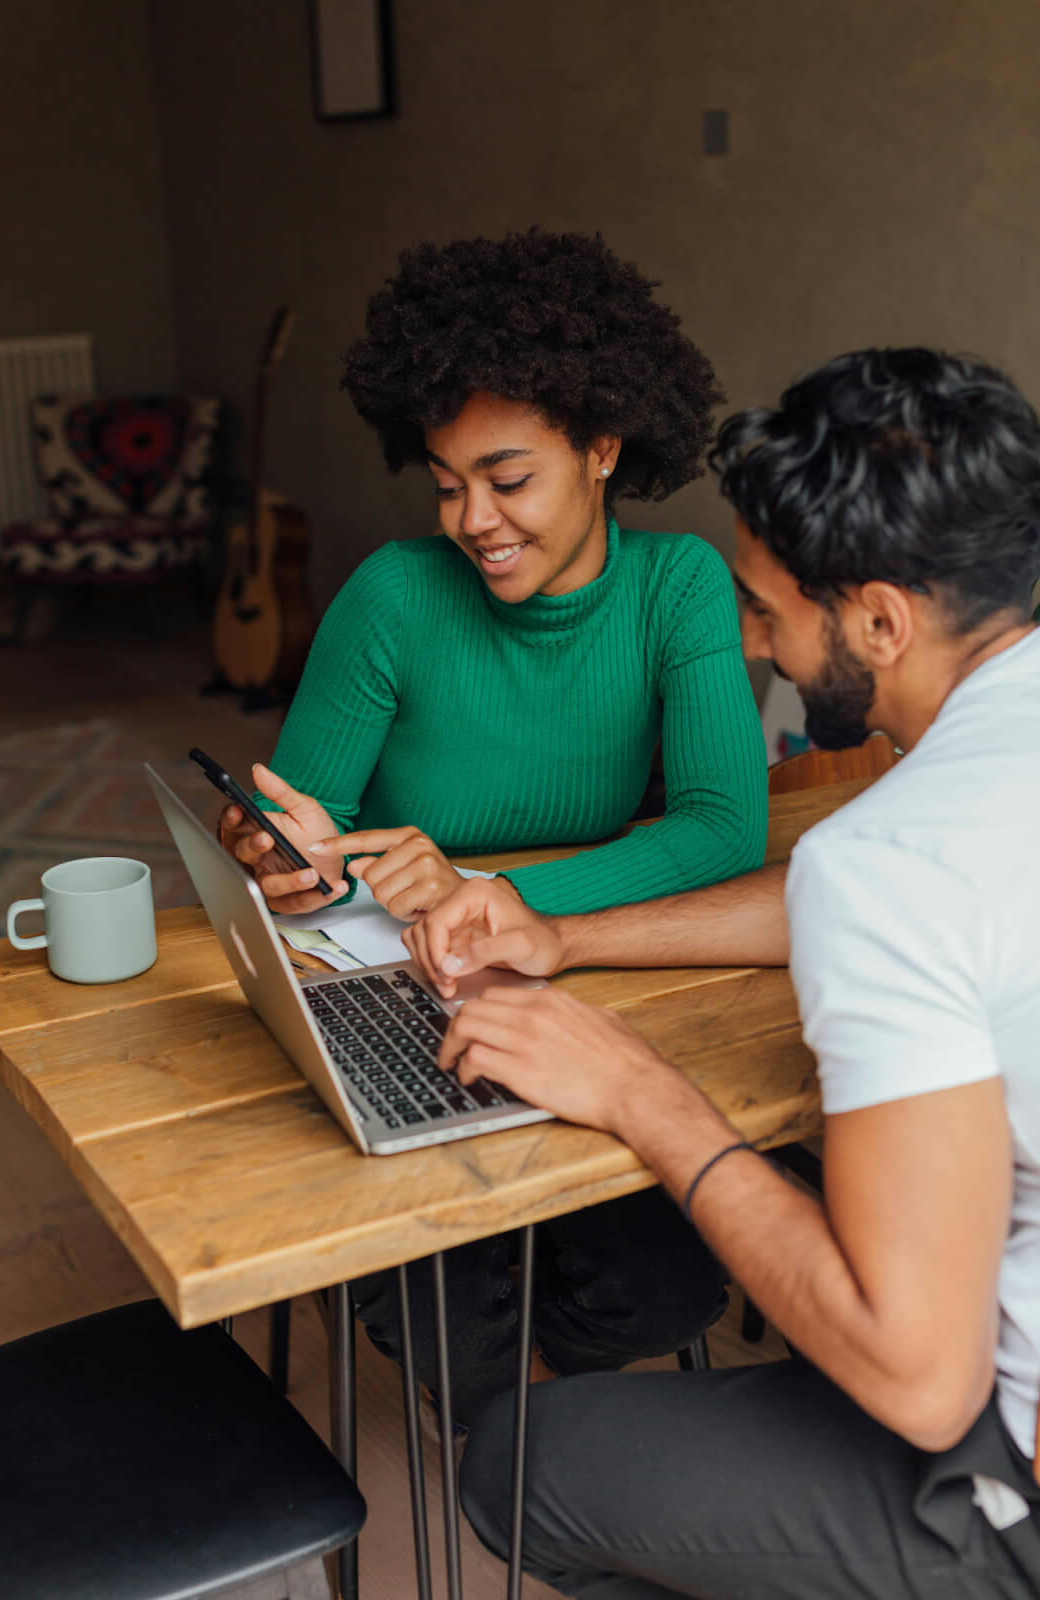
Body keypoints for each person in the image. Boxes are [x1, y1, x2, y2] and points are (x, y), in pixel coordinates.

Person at [406, 347, 1040, 1598]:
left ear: (877, 619)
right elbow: (885, 903)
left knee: (517, 1460)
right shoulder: (959, 799)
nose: (753, 646)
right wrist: (567, 935)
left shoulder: (888, 859)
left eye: (767, 610)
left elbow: (922, 1379)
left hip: (1009, 1483)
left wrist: (640, 1089)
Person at [217, 229, 772, 1419]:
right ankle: (494, 1400)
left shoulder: (676, 590)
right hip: (402, 998)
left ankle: (523, 1398)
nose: (473, 517)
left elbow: (728, 829)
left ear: (604, 448)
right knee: (445, 1314)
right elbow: (300, 847)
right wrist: (289, 862)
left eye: (508, 478)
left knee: (670, 1289)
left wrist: (510, 900)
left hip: (580, 997)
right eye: (445, 479)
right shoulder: (393, 595)